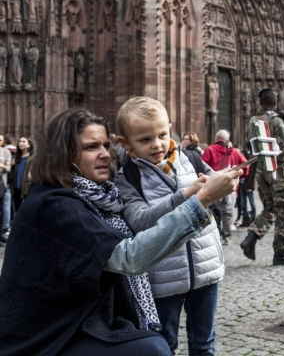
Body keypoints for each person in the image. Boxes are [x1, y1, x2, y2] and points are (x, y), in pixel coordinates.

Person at [0, 108, 239, 356]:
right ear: (63, 153)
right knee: (153, 349)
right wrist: (200, 202)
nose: (105, 154)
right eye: (91, 147)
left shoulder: (101, 197)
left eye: (105, 145)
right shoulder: (54, 205)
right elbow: (128, 257)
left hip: (80, 318)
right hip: (48, 334)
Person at [113, 97, 241, 356]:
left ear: (170, 127)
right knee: (165, 344)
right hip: (163, 278)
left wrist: (227, 186)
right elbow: (141, 221)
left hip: (205, 269)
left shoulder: (192, 160)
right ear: (126, 144)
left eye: (162, 134)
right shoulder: (127, 178)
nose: (157, 144)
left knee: (204, 343)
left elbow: (224, 203)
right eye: (145, 139)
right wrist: (186, 196)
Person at [240, 88, 284, 266]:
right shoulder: (276, 121)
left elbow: (249, 146)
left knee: (270, 209)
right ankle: (281, 252)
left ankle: (251, 237)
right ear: (275, 102)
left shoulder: (252, 121)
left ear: (260, 102)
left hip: (261, 171)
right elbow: (283, 149)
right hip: (277, 171)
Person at [201, 129, 249, 245]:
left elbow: (202, 166)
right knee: (227, 213)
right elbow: (246, 167)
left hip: (213, 185)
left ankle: (215, 236)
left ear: (217, 138)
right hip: (230, 187)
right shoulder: (235, 152)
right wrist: (238, 177)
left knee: (213, 211)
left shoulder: (210, 149)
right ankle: (227, 237)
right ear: (227, 140)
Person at [12, 136, 34, 211]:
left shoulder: (33, 158)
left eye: (24, 142)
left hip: (26, 187)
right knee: (17, 209)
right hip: (16, 188)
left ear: (29, 144)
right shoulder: (16, 157)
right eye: (20, 141)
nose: (21, 143)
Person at [0, 134, 11, 243]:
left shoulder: (5, 152)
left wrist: (1, 165)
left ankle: (2, 232)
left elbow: (8, 168)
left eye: (0, 140)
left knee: (2, 209)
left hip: (1, 184)